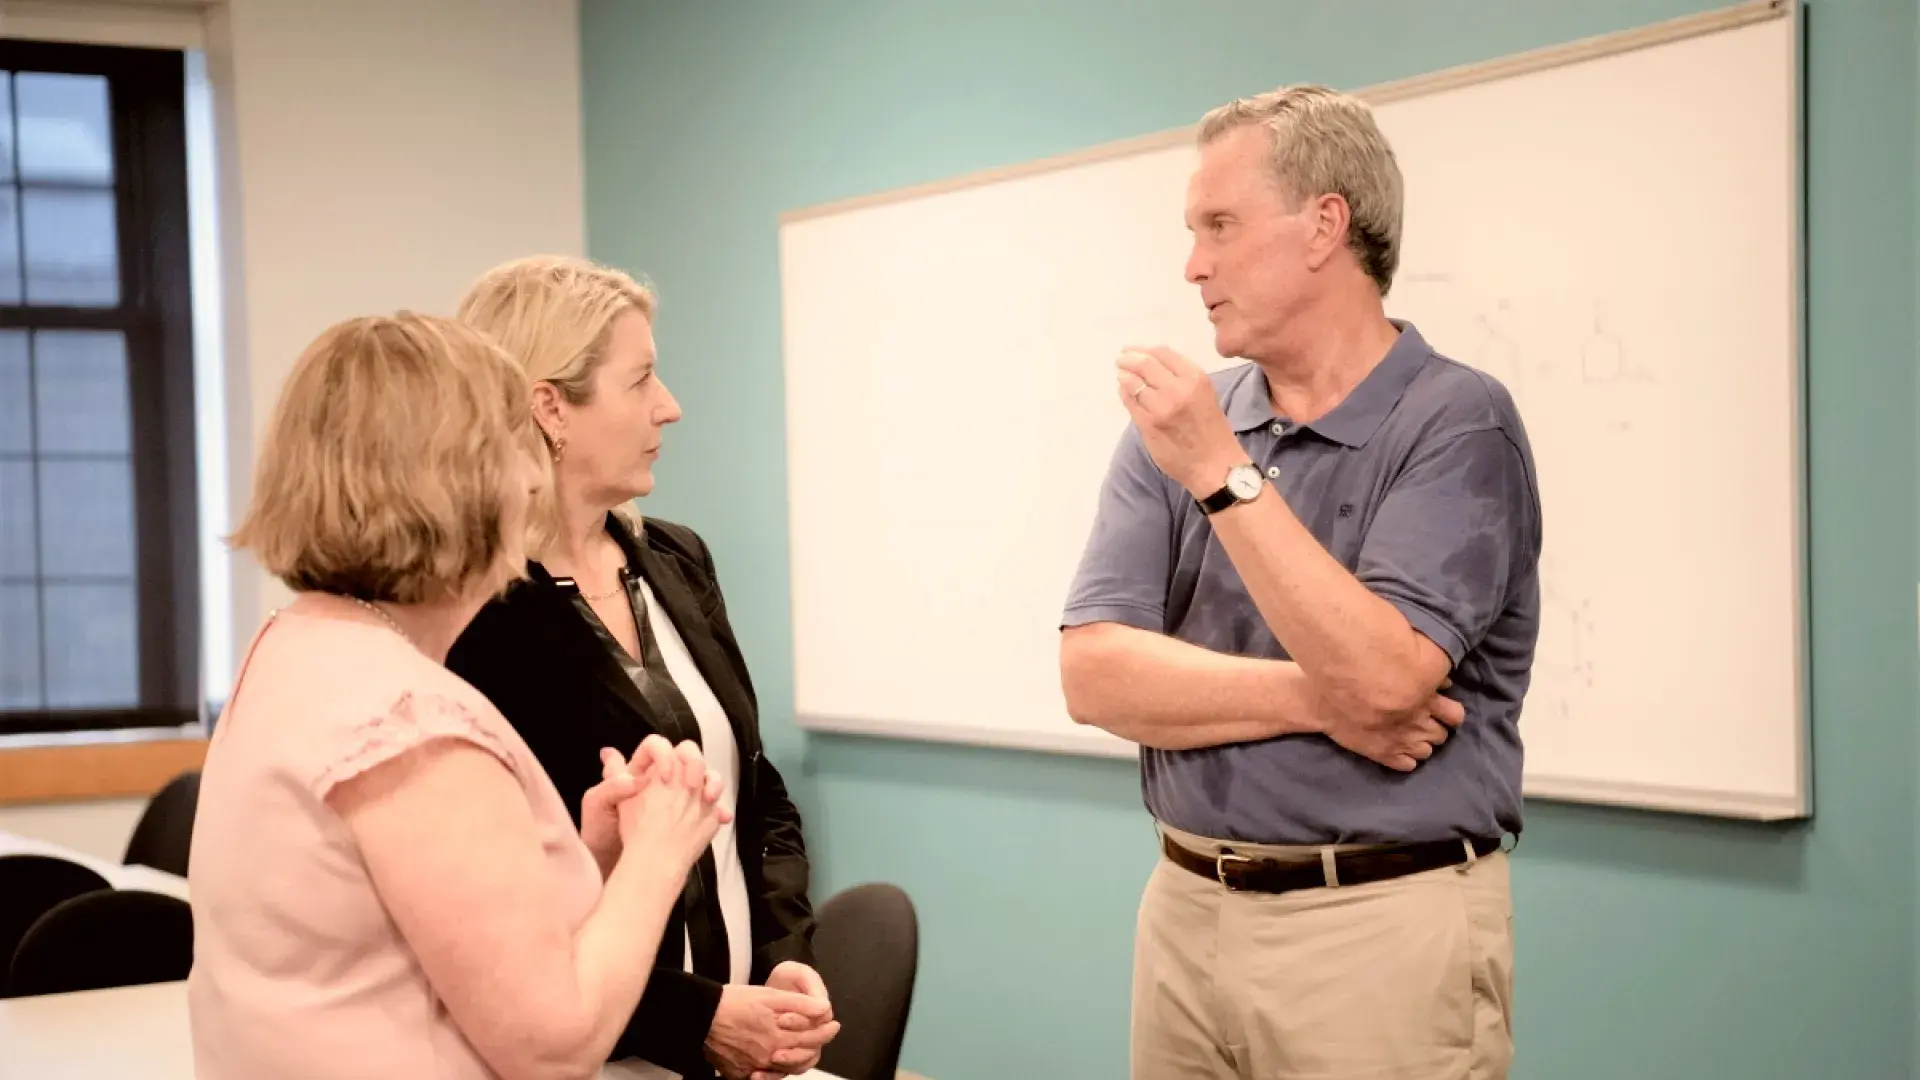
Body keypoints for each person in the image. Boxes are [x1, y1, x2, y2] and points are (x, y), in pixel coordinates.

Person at [1060, 84, 1542, 1079]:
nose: (1193, 264)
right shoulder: (1182, 418)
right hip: (1186, 907)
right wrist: (1316, 701)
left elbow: (1386, 679)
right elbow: (1095, 678)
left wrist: (1219, 475)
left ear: (1327, 225)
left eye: (1221, 226)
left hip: (1376, 925)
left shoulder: (1457, 425)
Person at [189, 312, 735, 1080]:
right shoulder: (410, 722)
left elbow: (406, 942)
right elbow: (553, 1044)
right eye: (517, 446)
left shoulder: (295, 650)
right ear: (466, 478)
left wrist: (591, 859)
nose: (534, 476)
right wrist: (656, 854)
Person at [447, 255, 839, 1080]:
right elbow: (499, 902)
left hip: (743, 1038)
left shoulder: (676, 558)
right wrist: (695, 1020)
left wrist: (782, 959)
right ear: (549, 407)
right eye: (642, 380)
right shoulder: (470, 617)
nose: (671, 406)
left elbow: (755, 790)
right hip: (602, 1053)